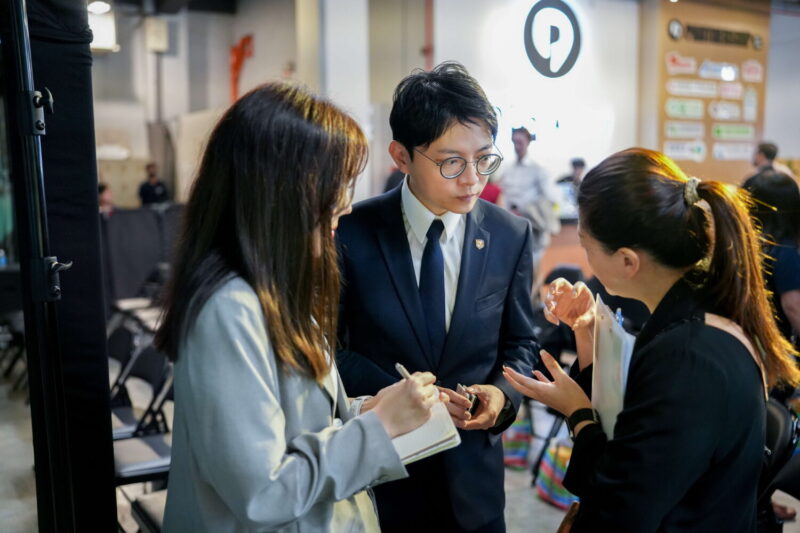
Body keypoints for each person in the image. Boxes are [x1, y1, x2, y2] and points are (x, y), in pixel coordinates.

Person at [154, 83, 445, 532]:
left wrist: (368, 410)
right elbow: (262, 492)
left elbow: (299, 418)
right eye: (334, 184)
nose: (345, 204)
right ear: (279, 190)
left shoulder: (275, 289)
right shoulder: (229, 310)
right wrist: (380, 426)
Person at [503, 148, 800, 532]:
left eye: (586, 245)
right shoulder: (694, 316)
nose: (585, 259)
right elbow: (635, 436)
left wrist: (577, 413)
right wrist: (586, 332)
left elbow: (621, 508)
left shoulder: (689, 356)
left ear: (628, 261)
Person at [336, 62, 538, 532]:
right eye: (451, 163)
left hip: (475, 488)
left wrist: (501, 395)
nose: (472, 180)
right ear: (401, 157)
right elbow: (329, 348)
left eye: (484, 159)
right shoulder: (351, 232)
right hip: (383, 479)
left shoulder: (509, 235)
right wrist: (406, 399)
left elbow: (521, 343)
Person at [500, 126, 559, 267]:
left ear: (528, 142)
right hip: (512, 224)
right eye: (514, 142)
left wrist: (529, 210)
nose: (517, 146)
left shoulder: (538, 169)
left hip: (532, 226)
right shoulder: (508, 169)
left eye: (520, 142)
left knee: (532, 268)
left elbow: (550, 198)